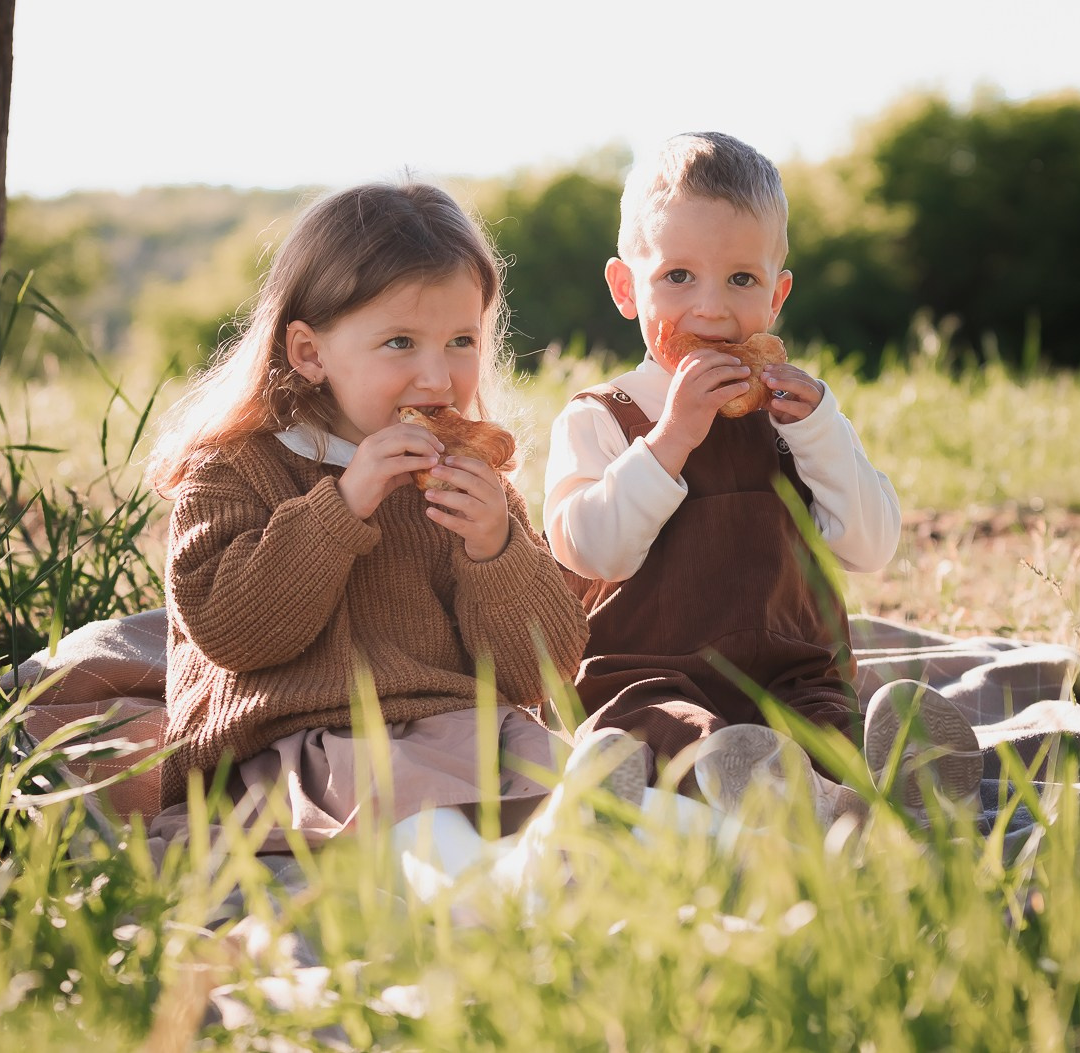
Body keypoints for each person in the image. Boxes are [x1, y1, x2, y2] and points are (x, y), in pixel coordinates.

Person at [145, 182, 590, 865]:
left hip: (463, 734)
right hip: (305, 752)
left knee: (574, 782)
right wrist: (343, 505)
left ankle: (716, 836)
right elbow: (233, 630)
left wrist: (495, 549)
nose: (437, 377)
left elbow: (543, 671)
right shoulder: (237, 471)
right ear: (309, 353)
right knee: (420, 810)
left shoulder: (472, 485)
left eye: (461, 340)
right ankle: (491, 886)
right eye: (400, 342)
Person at [544, 132, 980, 824]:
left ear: (775, 297)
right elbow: (591, 548)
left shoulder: (792, 416)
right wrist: (672, 438)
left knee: (828, 723)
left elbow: (870, 546)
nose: (712, 310)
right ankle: (781, 787)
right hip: (647, 671)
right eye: (678, 277)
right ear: (627, 289)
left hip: (788, 668)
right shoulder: (604, 417)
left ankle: (897, 780)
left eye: (741, 279)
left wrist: (822, 434)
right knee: (654, 730)